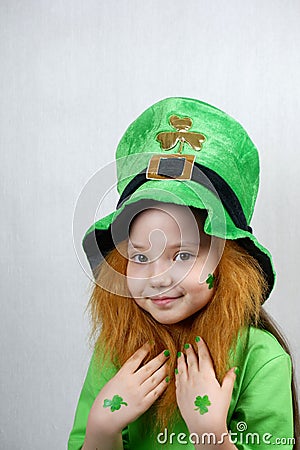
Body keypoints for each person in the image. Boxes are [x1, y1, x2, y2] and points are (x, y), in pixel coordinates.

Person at [68, 98, 299, 450]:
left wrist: (211, 435)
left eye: (185, 254)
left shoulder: (262, 358)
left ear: (228, 262)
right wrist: (102, 428)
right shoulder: (116, 349)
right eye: (141, 257)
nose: (160, 278)